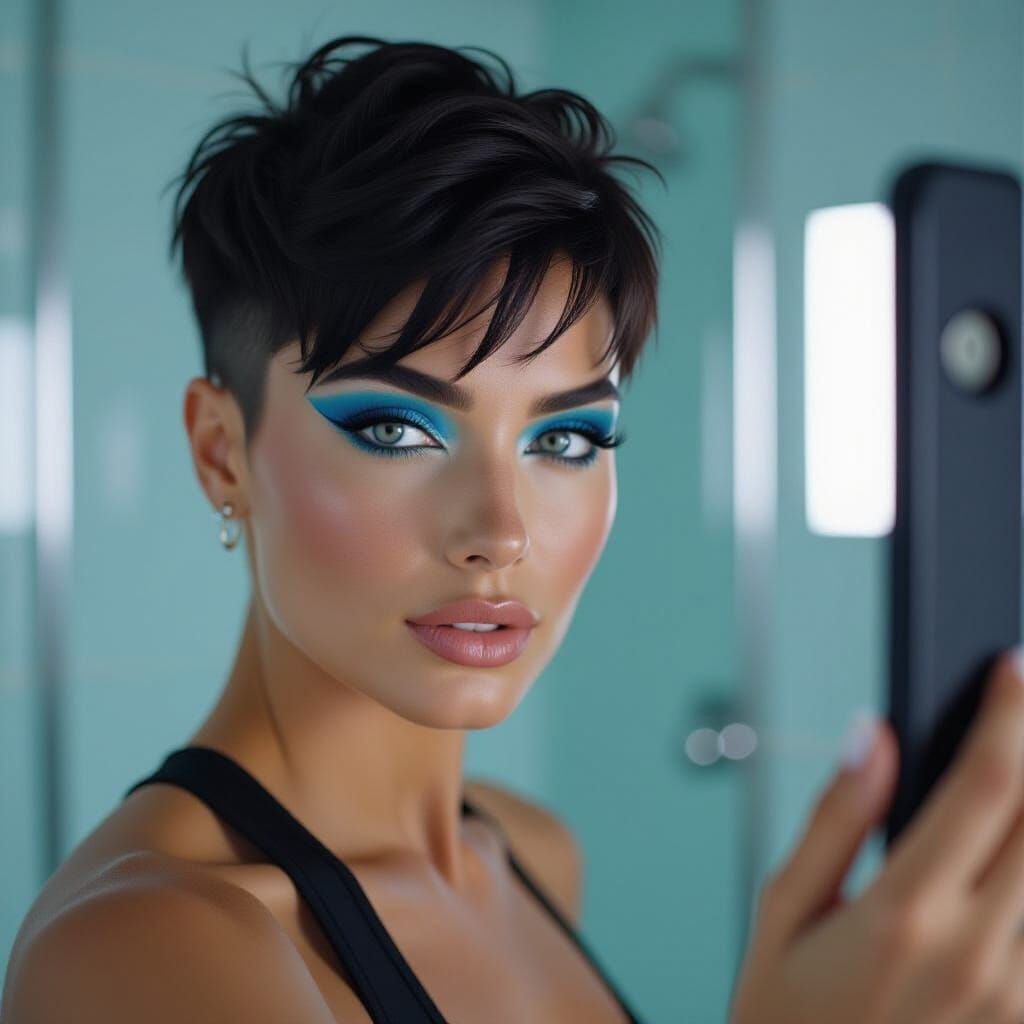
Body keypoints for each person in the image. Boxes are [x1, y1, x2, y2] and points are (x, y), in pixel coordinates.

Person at [5, 32, 1024, 1024]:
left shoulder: (532, 853)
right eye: (397, 429)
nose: (500, 533)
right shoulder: (143, 952)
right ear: (221, 453)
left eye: (566, 439)